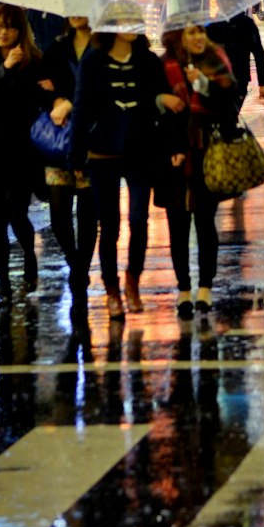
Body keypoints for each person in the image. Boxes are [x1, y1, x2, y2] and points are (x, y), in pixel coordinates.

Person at [69, 20, 173, 321]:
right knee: (110, 225)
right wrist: (75, 158)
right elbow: (81, 107)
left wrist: (163, 100)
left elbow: (161, 97)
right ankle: (112, 290)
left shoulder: (148, 59)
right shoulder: (92, 60)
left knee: (139, 220)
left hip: (141, 149)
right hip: (102, 150)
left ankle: (133, 282)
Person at [160, 23, 238, 317]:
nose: (197, 37)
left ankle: (205, 286)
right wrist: (161, 99)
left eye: (200, 31)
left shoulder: (215, 59)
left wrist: (203, 84)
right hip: (173, 157)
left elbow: (230, 98)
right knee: (177, 226)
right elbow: (154, 107)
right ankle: (183, 289)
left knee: (206, 223)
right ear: (178, 36)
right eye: (190, 32)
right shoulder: (165, 64)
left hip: (208, 154)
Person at [0, 5, 44, 303]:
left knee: (18, 215)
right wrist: (6, 68)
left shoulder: (34, 60)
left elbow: (37, 100)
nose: (3, 32)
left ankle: (29, 254)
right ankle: (3, 283)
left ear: (20, 32)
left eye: (10, 27)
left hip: (24, 149)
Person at [37, 15, 98, 321]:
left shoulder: (101, 48)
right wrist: (55, 100)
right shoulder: (56, 48)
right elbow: (42, 86)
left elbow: (105, 92)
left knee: (88, 213)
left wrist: (72, 102)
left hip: (92, 141)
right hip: (59, 142)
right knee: (59, 213)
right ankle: (75, 263)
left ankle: (82, 269)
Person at [208, 13, 264, 108]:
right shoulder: (216, 25)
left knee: (230, 112)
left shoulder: (246, 24)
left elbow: (258, 53)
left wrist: (263, 82)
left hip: (238, 77)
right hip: (222, 77)